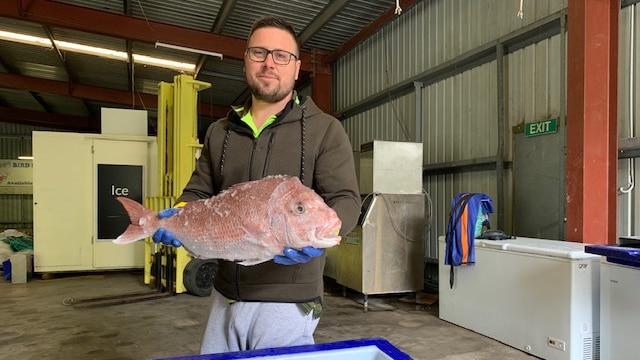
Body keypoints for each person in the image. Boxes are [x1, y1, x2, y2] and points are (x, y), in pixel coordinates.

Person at [152, 16, 361, 355]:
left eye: (281, 55)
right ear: (246, 60)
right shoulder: (220, 132)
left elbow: (347, 199)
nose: (269, 63)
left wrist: (319, 238)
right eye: (259, 52)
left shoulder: (325, 129)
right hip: (224, 293)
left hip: (287, 300)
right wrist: (177, 216)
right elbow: (198, 192)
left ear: (296, 69)